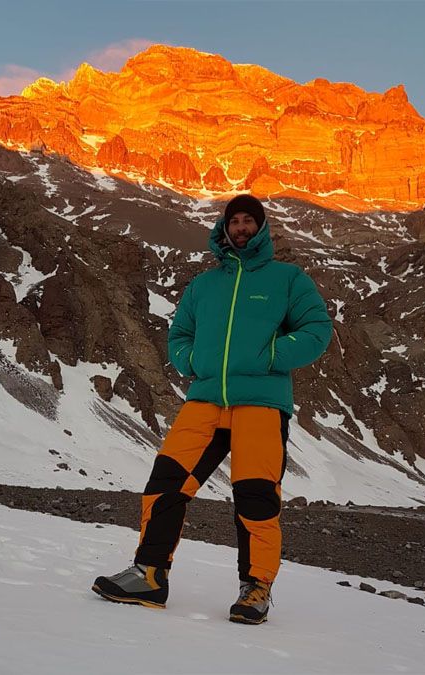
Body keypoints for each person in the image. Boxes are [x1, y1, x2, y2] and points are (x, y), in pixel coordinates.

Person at [92, 194, 332, 624]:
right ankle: (149, 576)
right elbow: (180, 333)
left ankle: (255, 589)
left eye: (248, 221)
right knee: (165, 482)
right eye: (234, 221)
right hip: (204, 401)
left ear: (261, 228)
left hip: (260, 403)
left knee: (256, 497)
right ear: (224, 228)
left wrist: (269, 357)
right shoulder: (204, 285)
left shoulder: (288, 279)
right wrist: (191, 362)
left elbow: (317, 329)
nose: (240, 228)